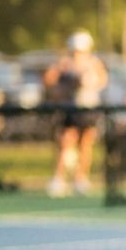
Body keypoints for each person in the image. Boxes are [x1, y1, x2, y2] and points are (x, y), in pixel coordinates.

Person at [43, 29, 109, 197]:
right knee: (66, 141)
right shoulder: (64, 64)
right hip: (70, 110)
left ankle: (81, 178)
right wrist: (65, 87)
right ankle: (59, 179)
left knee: (86, 144)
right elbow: (49, 82)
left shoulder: (94, 63)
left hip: (88, 109)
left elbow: (102, 80)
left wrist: (89, 80)